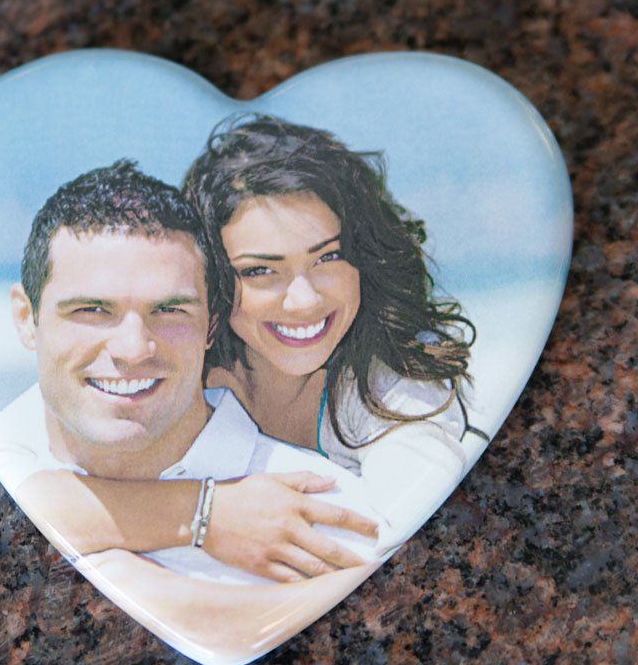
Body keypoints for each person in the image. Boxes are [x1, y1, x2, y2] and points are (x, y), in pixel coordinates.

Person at [0, 161, 395, 603]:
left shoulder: (325, 518)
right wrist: (201, 515)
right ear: (27, 319)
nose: (133, 349)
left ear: (212, 324)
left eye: (170, 311)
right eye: (93, 310)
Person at [184, 114, 479, 533]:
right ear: (211, 279)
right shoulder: (178, 371)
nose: (304, 300)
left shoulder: (393, 382)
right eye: (259, 271)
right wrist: (195, 513)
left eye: (327, 257)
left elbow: (407, 516)